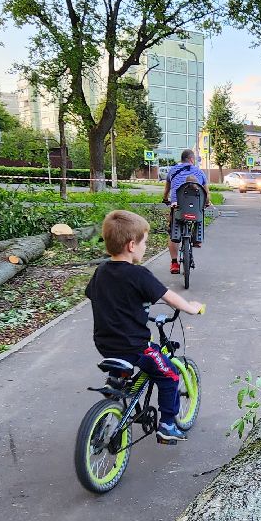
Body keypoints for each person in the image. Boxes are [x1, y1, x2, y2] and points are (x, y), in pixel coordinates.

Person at [85, 209, 204, 443]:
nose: (145, 247)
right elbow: (168, 296)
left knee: (123, 365)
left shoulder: (101, 271)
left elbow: (95, 295)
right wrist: (191, 308)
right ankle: (167, 425)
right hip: (135, 347)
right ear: (131, 245)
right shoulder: (138, 274)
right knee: (169, 375)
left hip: (105, 344)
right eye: (144, 243)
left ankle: (115, 386)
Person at [161, 148, 210, 276]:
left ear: (182, 159)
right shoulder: (199, 172)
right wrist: (207, 203)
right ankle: (197, 239)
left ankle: (174, 263)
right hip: (195, 207)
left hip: (178, 206)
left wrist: (165, 199)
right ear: (192, 159)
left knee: (173, 231)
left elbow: (167, 190)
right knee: (200, 214)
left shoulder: (172, 170)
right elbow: (206, 193)